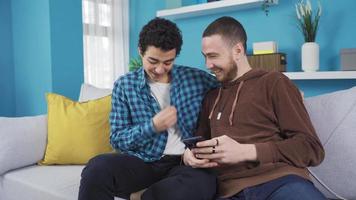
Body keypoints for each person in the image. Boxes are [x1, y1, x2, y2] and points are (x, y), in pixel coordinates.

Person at [183, 16, 326, 200]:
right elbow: (200, 144)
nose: (207, 65)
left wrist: (246, 151)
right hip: (230, 192)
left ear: (238, 50)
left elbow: (311, 148)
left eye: (213, 56)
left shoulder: (274, 83)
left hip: (281, 182)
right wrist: (188, 156)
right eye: (205, 57)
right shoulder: (211, 97)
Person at [78, 17, 218, 200]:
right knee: (97, 168)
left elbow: (227, 87)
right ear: (140, 52)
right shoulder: (125, 85)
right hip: (142, 162)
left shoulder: (196, 79)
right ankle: (148, 191)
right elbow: (117, 139)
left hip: (183, 163)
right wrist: (152, 126)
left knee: (205, 183)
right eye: (153, 61)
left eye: (168, 62)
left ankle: (143, 195)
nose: (160, 69)